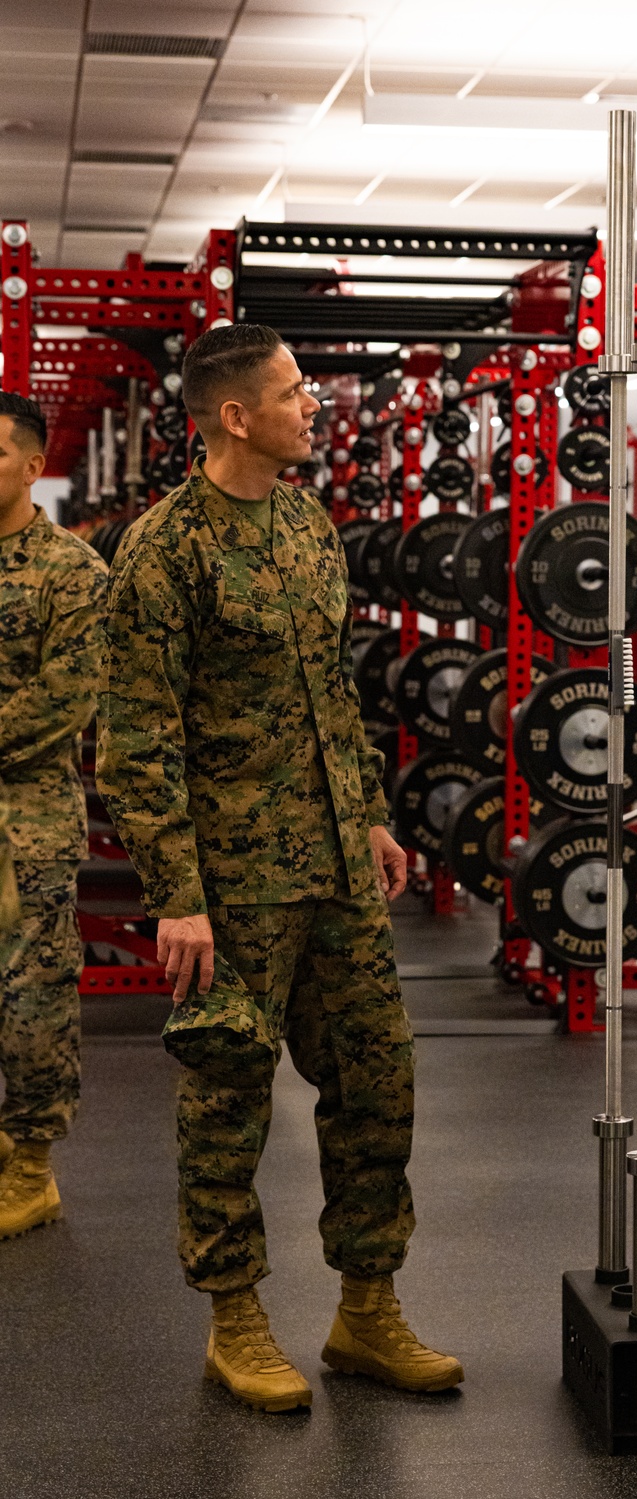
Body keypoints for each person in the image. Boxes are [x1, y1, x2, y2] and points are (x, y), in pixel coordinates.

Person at [97, 323, 462, 1414]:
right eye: (296, 393)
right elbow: (136, 733)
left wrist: (372, 819)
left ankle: (365, 1308)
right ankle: (235, 1317)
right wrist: (178, 896)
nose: (317, 408)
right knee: (228, 1098)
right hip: (232, 883)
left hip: (336, 870)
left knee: (373, 1082)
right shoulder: (165, 550)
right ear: (233, 417)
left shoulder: (308, 526)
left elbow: (333, 699)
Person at [0, 393, 107, 1241]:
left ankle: (31, 1166)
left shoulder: (72, 573)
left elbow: (65, 699)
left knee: (31, 999)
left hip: (25, 824)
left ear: (34, 465)